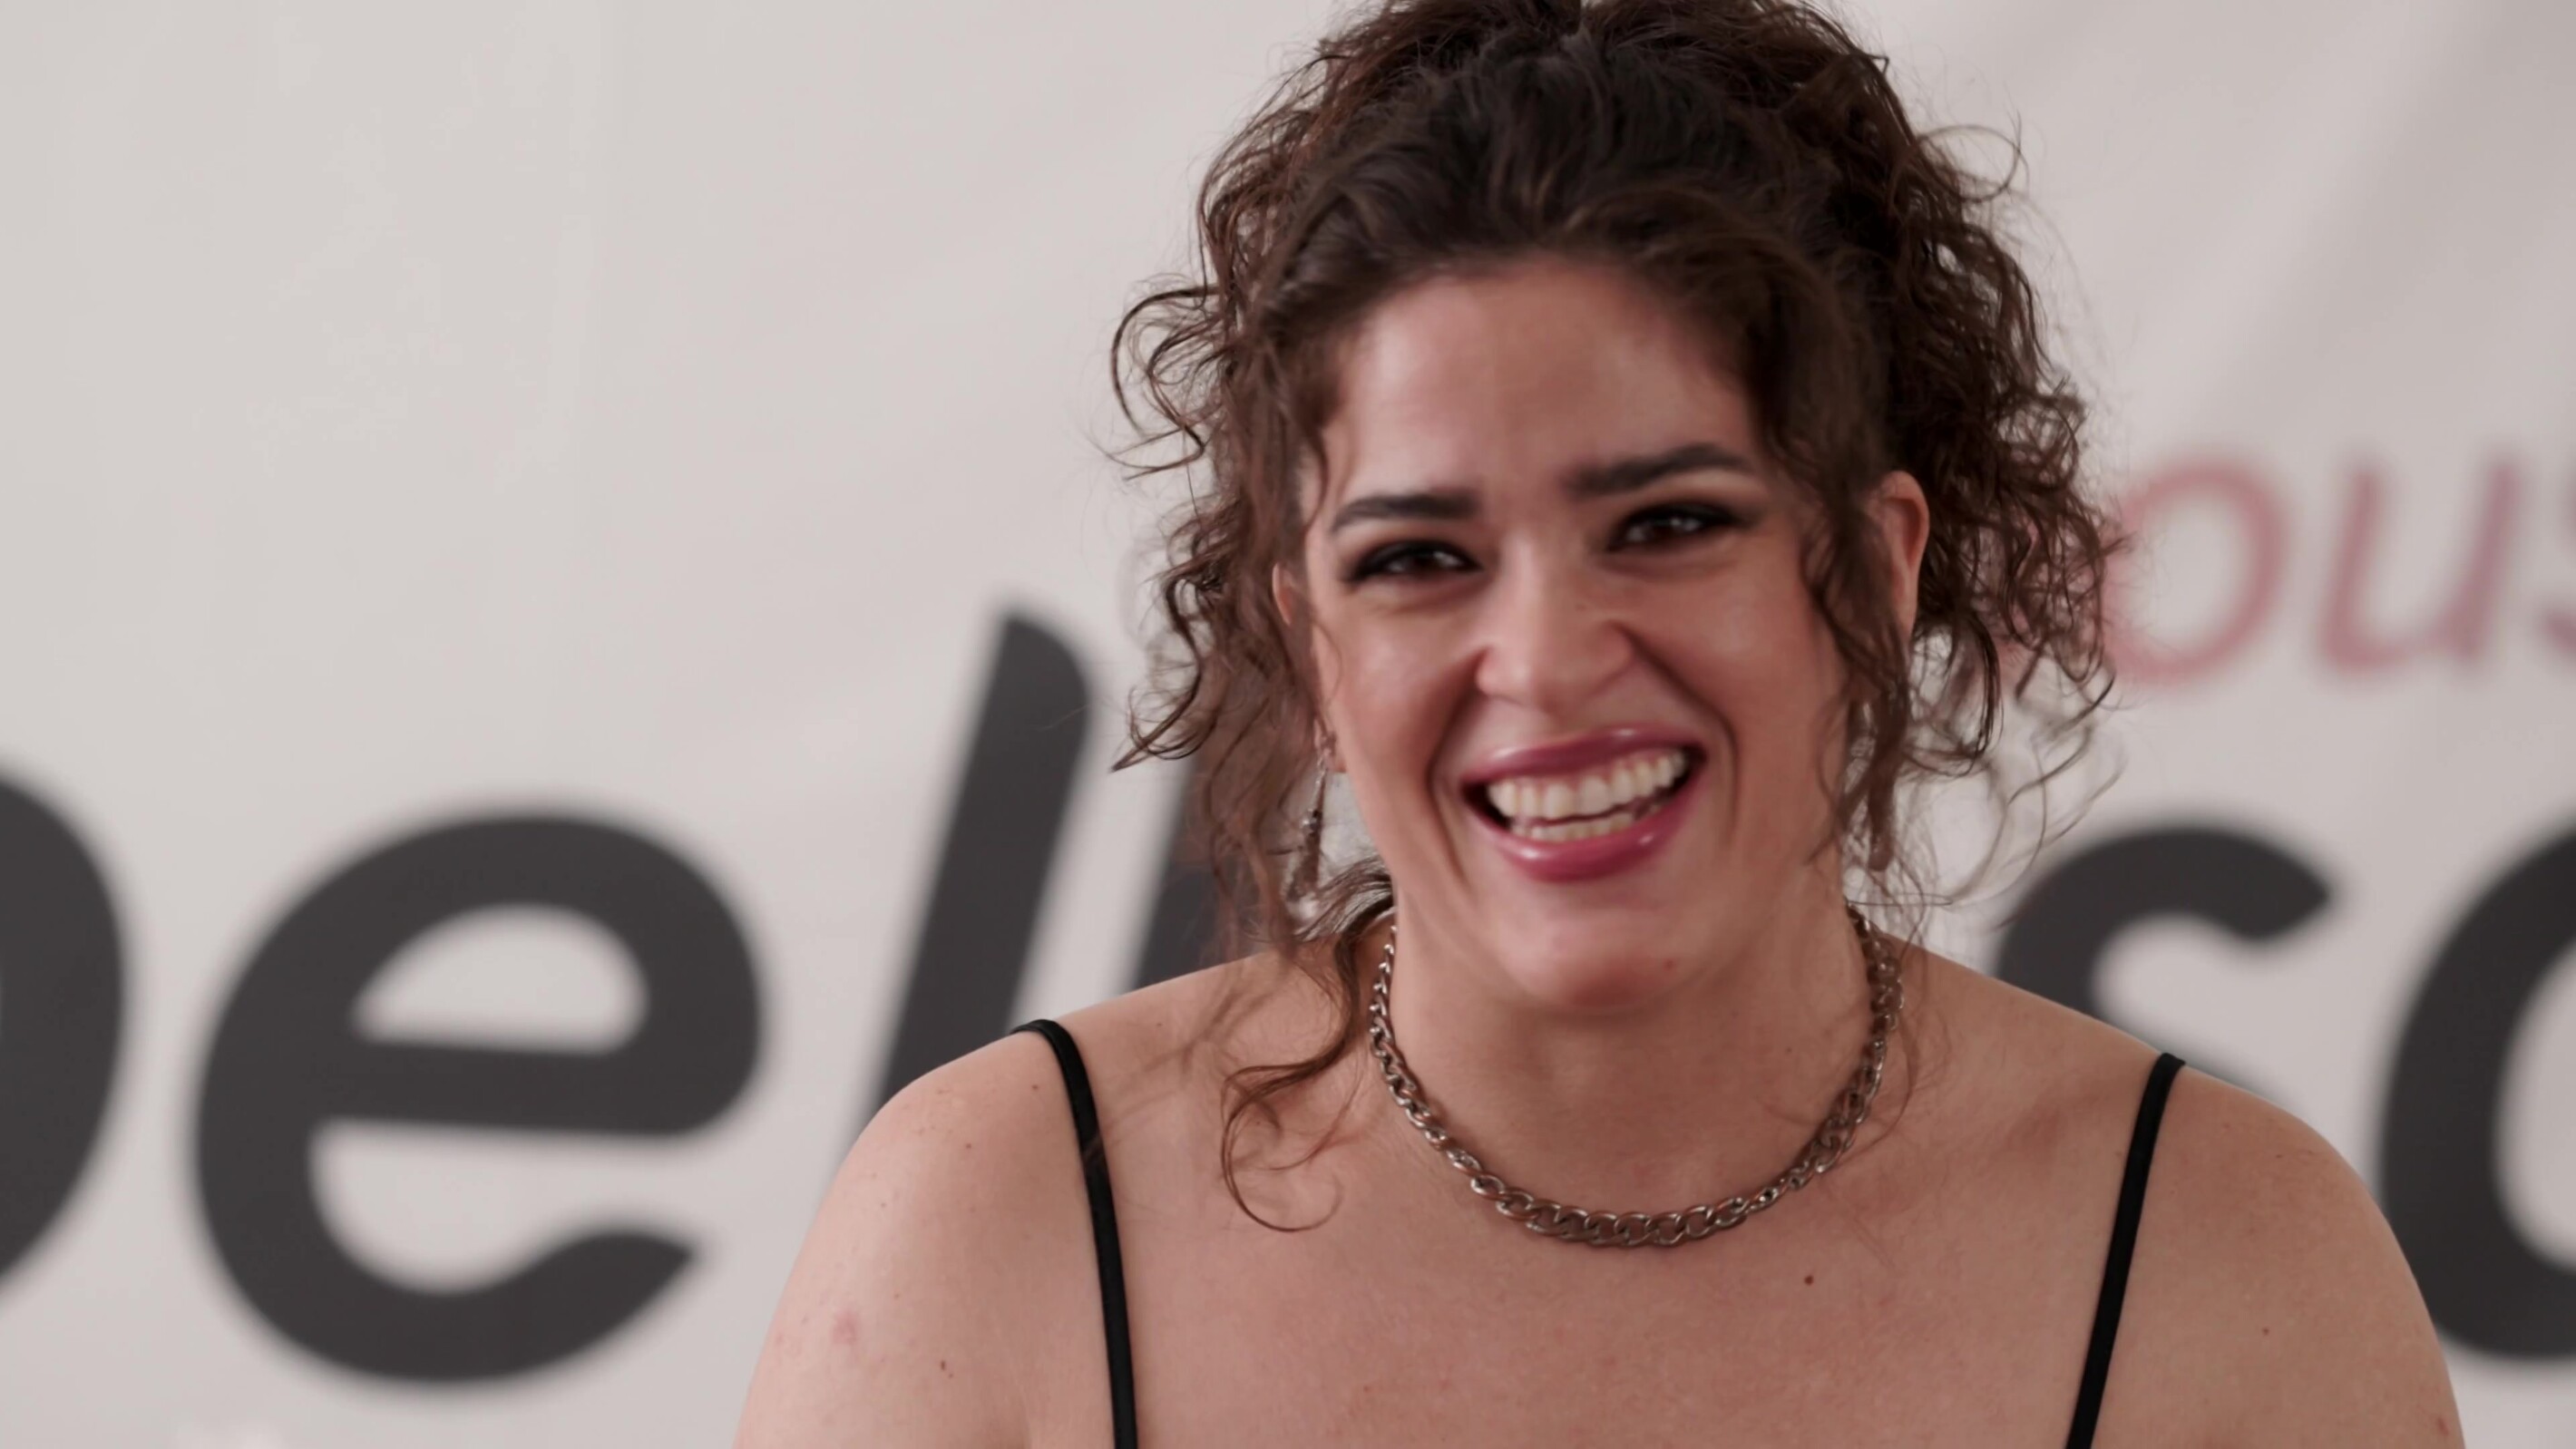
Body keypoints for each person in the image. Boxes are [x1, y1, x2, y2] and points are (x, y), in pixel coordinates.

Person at [734, 0, 2460, 1442]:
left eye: (1668, 522)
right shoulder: (998, 1223)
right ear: (1311, 649)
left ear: (1873, 570)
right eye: (1419, 557)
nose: (1547, 663)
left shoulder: (2229, 1268)